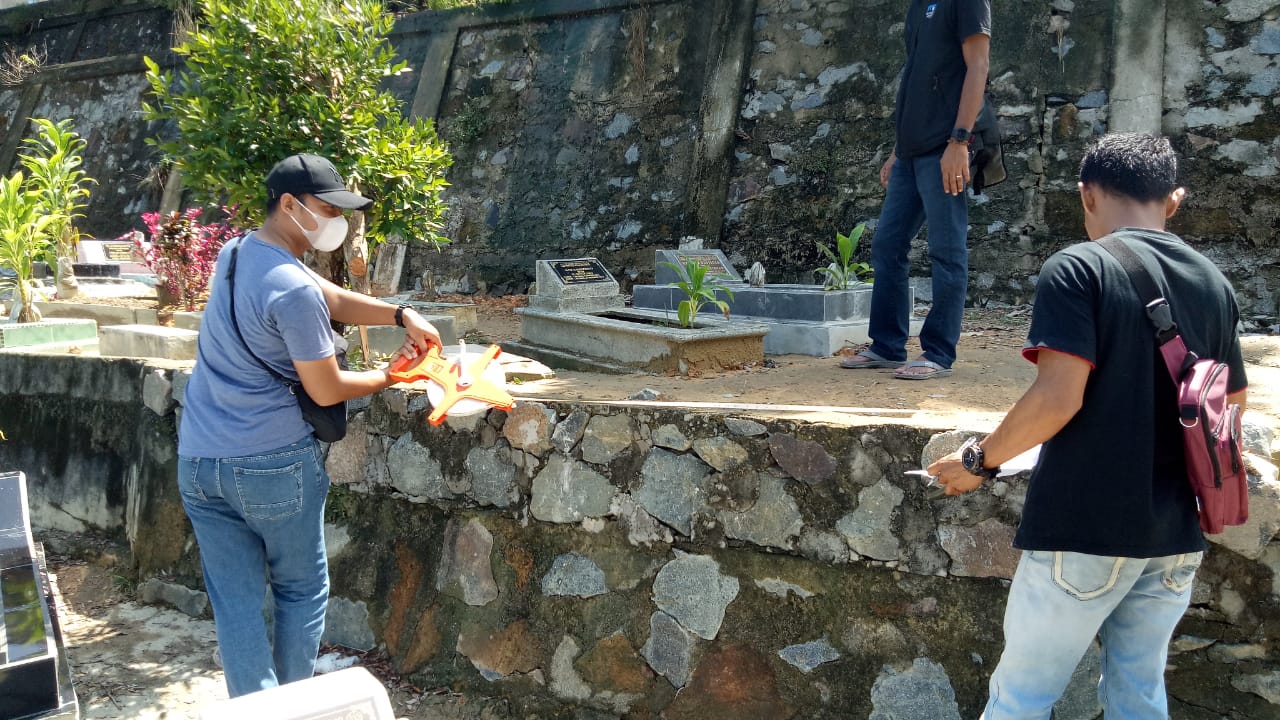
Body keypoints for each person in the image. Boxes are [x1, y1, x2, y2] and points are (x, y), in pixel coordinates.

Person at [929, 133, 1248, 718]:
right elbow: (1230, 406)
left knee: (1021, 698)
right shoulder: (1213, 282)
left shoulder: (1078, 267)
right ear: (1172, 201)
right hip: (1175, 536)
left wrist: (979, 460)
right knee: (1139, 696)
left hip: (1084, 529)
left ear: (1086, 195)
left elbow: (1057, 398)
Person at [176, 153, 441, 697]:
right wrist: (390, 378)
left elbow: (333, 298)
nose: (336, 223)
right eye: (326, 209)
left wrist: (399, 314)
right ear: (290, 205)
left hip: (199, 461)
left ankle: (256, 709)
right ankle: (292, 706)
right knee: (299, 591)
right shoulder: (293, 289)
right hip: (270, 461)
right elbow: (325, 388)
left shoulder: (238, 252)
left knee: (237, 604)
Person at [840, 0, 991, 379]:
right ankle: (887, 346)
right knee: (887, 245)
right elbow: (917, 78)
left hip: (945, 146)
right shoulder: (920, 5)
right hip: (910, 152)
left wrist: (960, 142)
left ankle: (938, 353)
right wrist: (896, 151)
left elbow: (978, 65)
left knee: (946, 250)